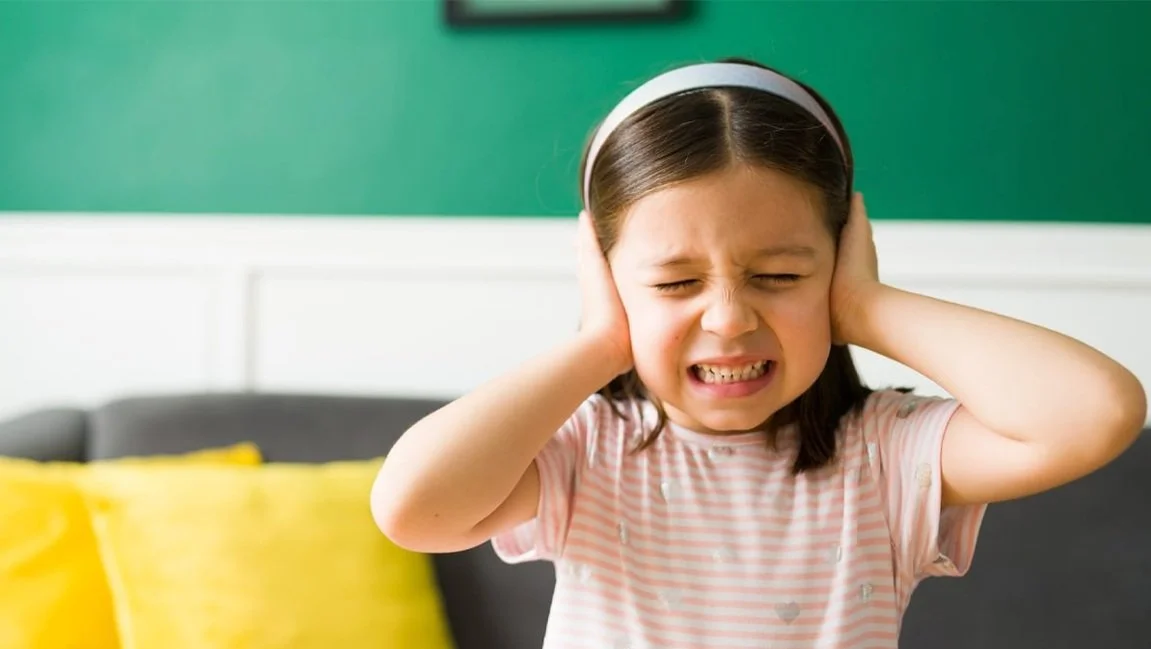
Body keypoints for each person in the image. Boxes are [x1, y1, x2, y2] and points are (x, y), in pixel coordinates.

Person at [371, 57, 1147, 648]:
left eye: (778, 275)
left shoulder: (885, 454)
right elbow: (413, 508)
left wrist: (866, 308)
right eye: (674, 282)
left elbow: (1094, 413)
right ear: (607, 279)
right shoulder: (584, 453)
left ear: (839, 257)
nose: (730, 318)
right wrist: (600, 342)